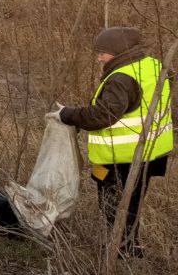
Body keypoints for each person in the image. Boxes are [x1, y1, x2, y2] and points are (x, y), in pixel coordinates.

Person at [59, 26, 173, 258]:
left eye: (103, 52)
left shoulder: (121, 78)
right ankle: (131, 247)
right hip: (152, 152)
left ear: (120, 52)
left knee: (113, 205)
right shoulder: (152, 65)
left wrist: (68, 115)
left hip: (121, 157)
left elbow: (104, 115)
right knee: (132, 204)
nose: (99, 57)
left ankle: (118, 252)